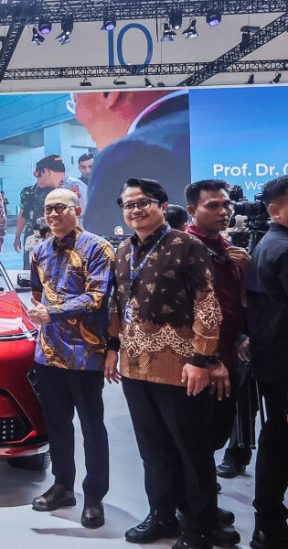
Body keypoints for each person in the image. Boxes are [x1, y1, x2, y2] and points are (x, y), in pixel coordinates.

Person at [105, 178, 238, 549]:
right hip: (134, 367)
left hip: (180, 367)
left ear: (162, 206)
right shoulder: (123, 250)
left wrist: (202, 359)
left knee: (191, 451)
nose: (135, 210)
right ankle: (161, 516)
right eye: (128, 204)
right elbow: (118, 304)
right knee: (153, 450)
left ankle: (199, 527)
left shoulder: (186, 245)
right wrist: (113, 347)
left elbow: (207, 304)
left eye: (143, 202)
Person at [27, 188, 114, 529]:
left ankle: (94, 496)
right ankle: (63, 486)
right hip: (49, 353)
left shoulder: (98, 248)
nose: (52, 214)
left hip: (85, 354)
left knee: (92, 427)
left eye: (60, 207)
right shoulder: (39, 250)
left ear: (77, 210)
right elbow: (38, 293)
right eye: (48, 209)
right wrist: (43, 313)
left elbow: (97, 297)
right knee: (58, 425)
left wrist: (53, 312)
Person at [183, 180, 250, 525]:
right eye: (213, 205)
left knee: (215, 436)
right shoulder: (182, 249)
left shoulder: (228, 248)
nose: (223, 212)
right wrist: (207, 359)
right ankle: (193, 515)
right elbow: (183, 315)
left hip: (230, 357)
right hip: (198, 364)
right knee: (194, 440)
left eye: (226, 205)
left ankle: (203, 506)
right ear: (192, 210)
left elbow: (235, 302)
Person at [72, 90, 190, 236]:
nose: (78, 116)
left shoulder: (124, 154)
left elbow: (98, 241)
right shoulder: (205, 121)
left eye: (76, 101)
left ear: (108, 93)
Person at [243, 175, 288, 549]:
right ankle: (268, 524)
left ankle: (269, 519)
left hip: (273, 359)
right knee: (278, 441)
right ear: (275, 210)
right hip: (282, 362)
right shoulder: (281, 248)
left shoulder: (268, 243)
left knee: (276, 437)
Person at [15, 155, 65, 267]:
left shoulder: (61, 191)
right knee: (30, 270)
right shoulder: (28, 192)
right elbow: (23, 215)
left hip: (54, 238)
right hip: (32, 238)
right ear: (38, 173)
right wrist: (17, 237)